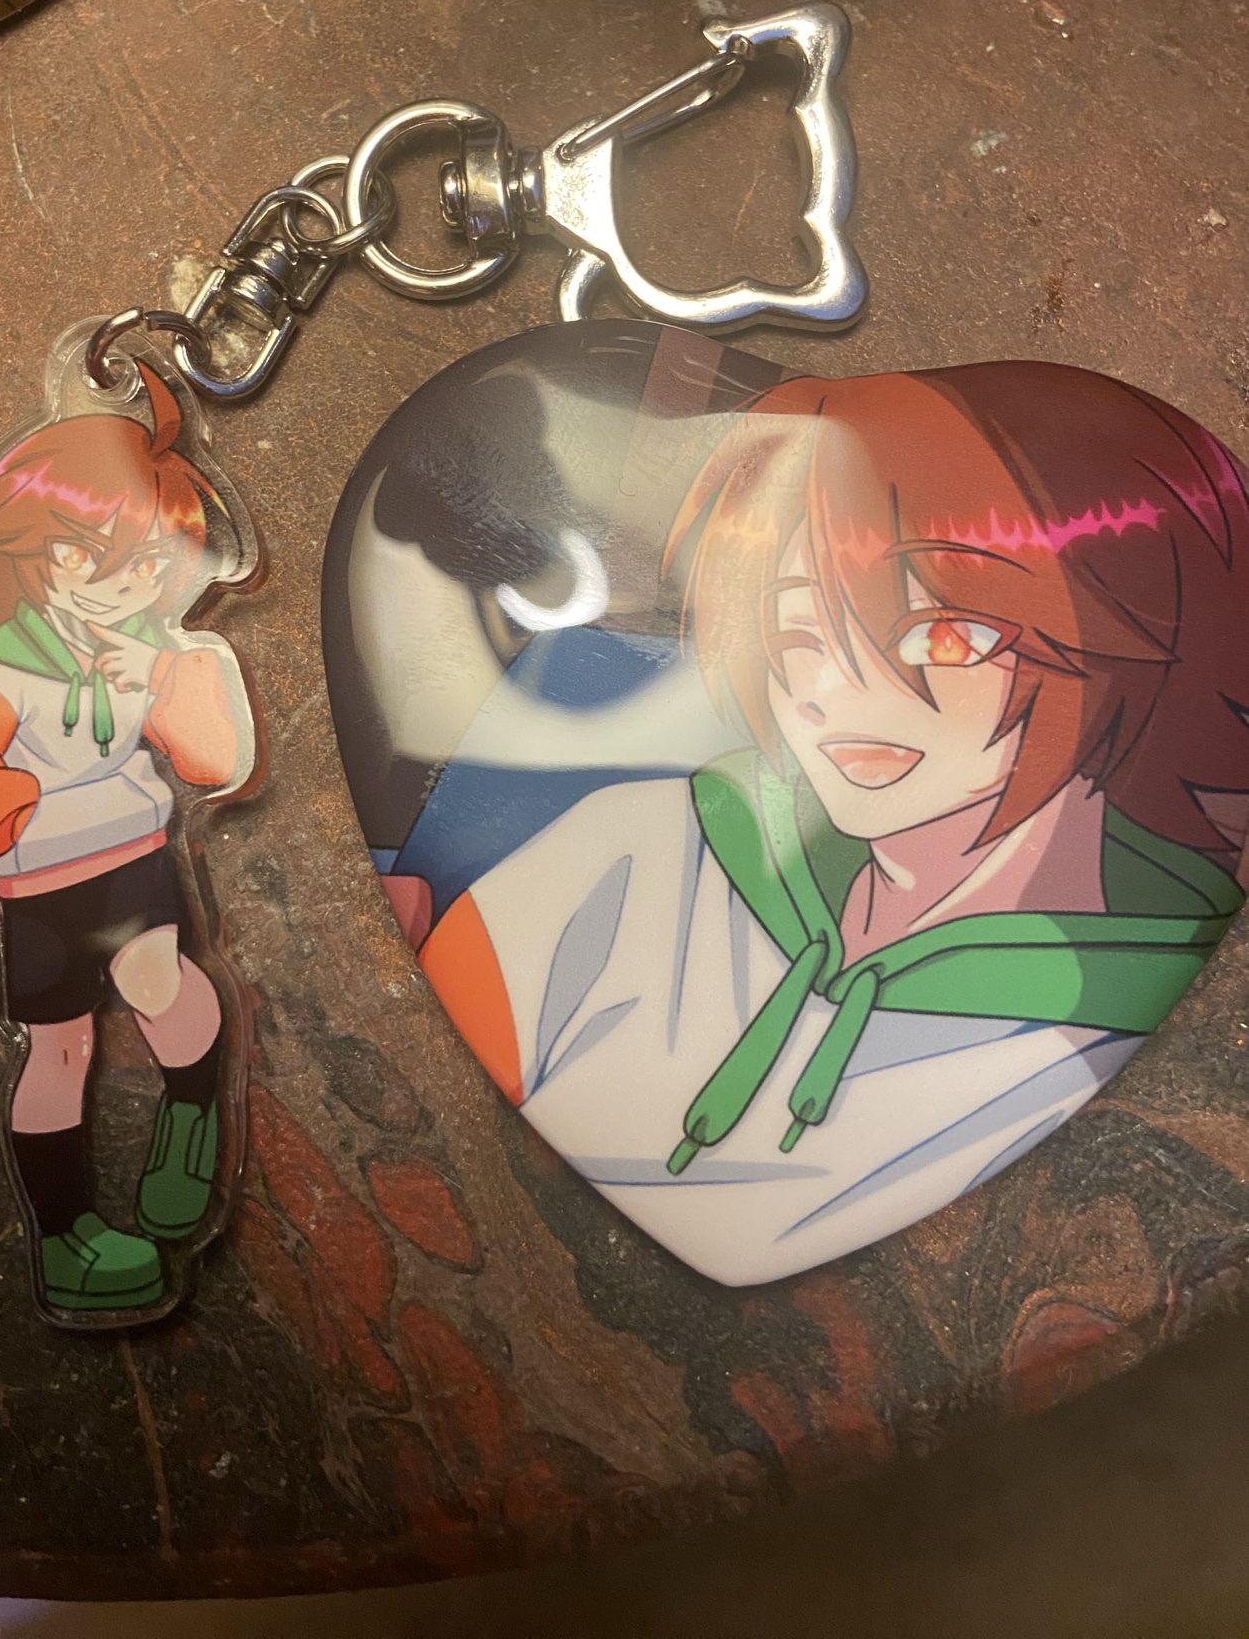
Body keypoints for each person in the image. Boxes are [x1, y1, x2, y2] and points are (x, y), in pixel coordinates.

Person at [416, 362, 1249, 1285]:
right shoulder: (637, 849)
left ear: (1115, 635)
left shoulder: (1103, 998)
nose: (833, 694)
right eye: (794, 634)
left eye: (938, 637)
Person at [0, 368, 254, 1313]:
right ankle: (66, 1235)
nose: (122, 584)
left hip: (135, 862)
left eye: (148, 564)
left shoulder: (158, 657)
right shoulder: (8, 674)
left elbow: (216, 763)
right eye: (86, 555)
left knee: (162, 981)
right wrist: (28, 811)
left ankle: (191, 1114)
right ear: (35, 551)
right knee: (58, 1050)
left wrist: (163, 677)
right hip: (38, 888)